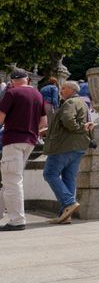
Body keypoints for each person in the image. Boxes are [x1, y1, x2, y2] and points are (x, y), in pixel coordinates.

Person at [0, 69, 47, 231]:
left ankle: (17, 220)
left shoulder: (12, 93)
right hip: (30, 141)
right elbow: (43, 122)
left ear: (12, 81)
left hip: (13, 140)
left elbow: (0, 117)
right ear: (28, 79)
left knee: (11, 180)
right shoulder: (38, 95)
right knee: (11, 179)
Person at [42, 80, 94, 224]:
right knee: (69, 178)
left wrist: (78, 128)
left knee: (50, 173)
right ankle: (65, 215)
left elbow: (68, 120)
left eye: (63, 88)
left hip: (64, 146)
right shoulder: (83, 103)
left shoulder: (70, 103)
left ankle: (69, 202)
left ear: (71, 90)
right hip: (78, 147)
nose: (60, 91)